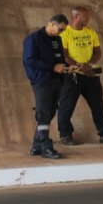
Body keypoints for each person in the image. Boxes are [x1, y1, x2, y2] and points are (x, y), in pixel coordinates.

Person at [57, 5, 103, 146]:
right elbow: (64, 55)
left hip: (91, 74)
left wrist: (88, 65)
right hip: (72, 76)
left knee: (98, 106)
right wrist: (79, 66)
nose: (88, 19)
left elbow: (98, 52)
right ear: (76, 16)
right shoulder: (65, 34)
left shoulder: (91, 33)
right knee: (67, 106)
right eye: (85, 16)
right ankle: (65, 135)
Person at [21, 14, 71, 159]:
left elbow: (59, 59)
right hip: (41, 81)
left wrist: (66, 67)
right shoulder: (34, 39)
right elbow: (29, 60)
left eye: (63, 30)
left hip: (56, 80)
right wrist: (52, 67)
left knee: (49, 113)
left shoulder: (58, 40)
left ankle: (36, 146)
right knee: (43, 113)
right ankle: (46, 147)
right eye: (60, 29)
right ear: (51, 23)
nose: (61, 32)